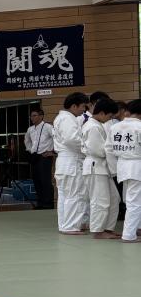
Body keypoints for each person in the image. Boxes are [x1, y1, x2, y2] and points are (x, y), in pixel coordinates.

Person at [82, 98, 121, 240]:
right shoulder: (93, 127)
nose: (110, 119)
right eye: (110, 116)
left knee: (114, 198)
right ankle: (98, 231)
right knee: (100, 200)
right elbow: (98, 150)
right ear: (102, 113)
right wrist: (115, 151)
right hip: (95, 166)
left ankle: (108, 228)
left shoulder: (98, 125)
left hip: (103, 167)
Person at [52, 92, 89, 235]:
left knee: (65, 196)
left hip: (64, 161)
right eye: (82, 107)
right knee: (75, 194)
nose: (83, 110)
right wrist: (88, 146)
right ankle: (71, 226)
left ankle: (65, 225)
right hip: (71, 160)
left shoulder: (61, 118)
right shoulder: (68, 119)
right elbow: (71, 139)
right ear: (74, 106)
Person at [105, 99, 141, 243]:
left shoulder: (115, 127)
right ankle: (129, 235)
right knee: (134, 202)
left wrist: (115, 169)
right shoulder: (139, 126)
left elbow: (108, 149)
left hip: (122, 166)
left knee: (130, 200)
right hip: (136, 166)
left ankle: (136, 228)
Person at [24, 107, 55, 210]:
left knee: (45, 180)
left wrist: (52, 151)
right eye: (31, 116)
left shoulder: (48, 127)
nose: (32, 118)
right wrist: (30, 150)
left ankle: (48, 203)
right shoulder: (30, 129)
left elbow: (57, 138)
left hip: (45, 156)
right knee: (36, 180)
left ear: (41, 116)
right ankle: (40, 202)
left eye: (34, 115)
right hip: (35, 156)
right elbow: (27, 140)